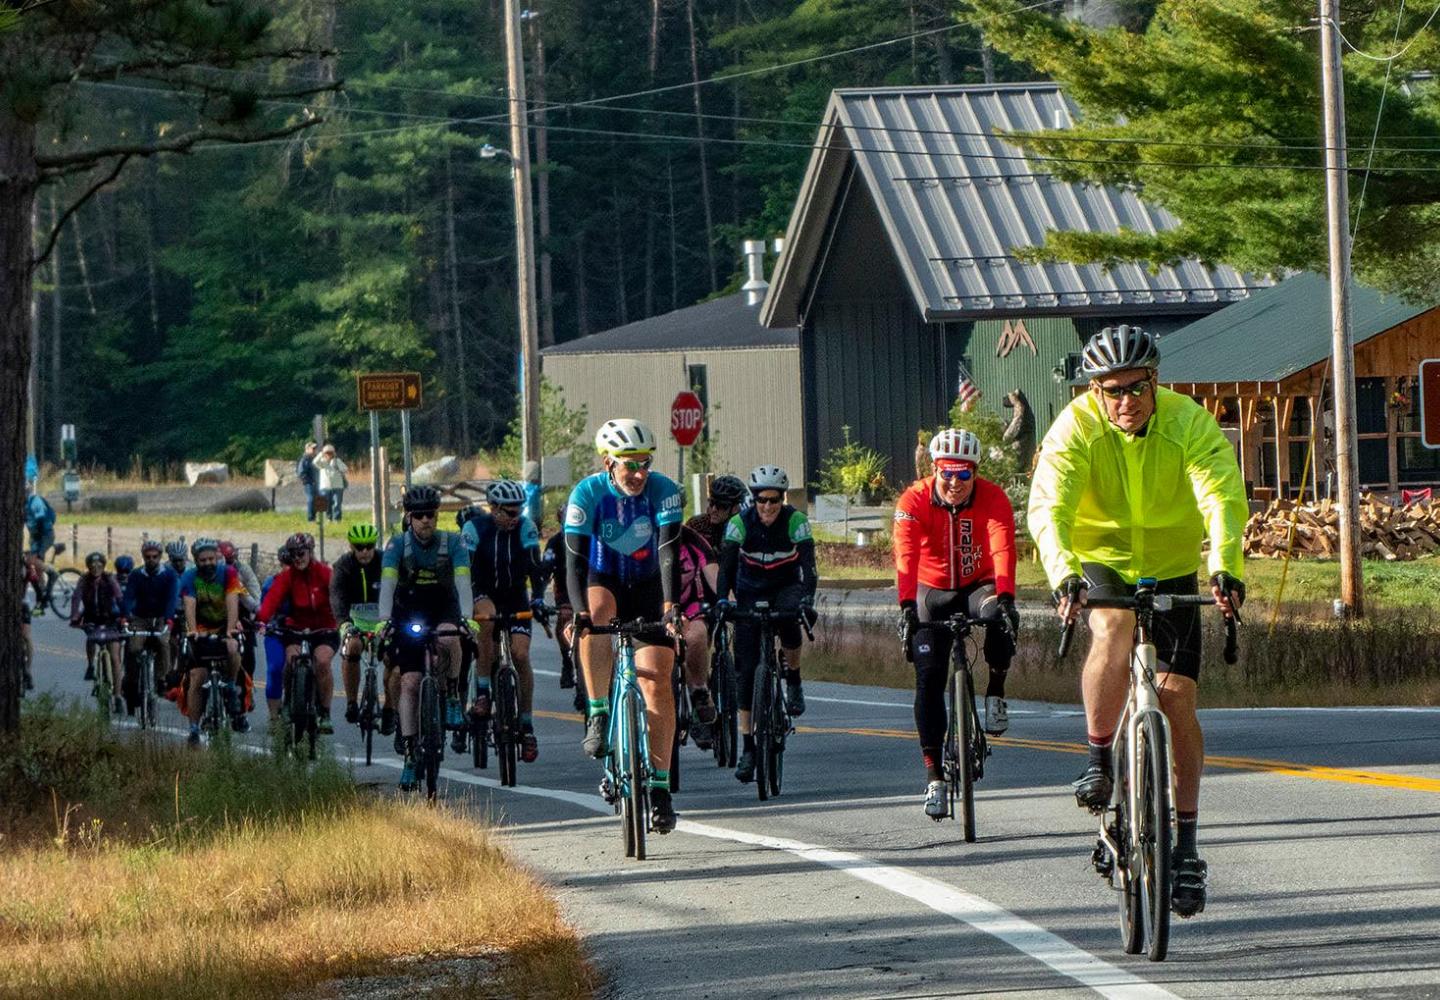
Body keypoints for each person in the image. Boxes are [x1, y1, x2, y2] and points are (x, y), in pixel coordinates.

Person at [1028, 324, 1247, 919]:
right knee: (1112, 631)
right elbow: (1051, 503)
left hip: (1174, 563)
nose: (1125, 401)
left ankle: (1189, 847)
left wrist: (1224, 566)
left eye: (1136, 387)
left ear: (1156, 381)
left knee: (1177, 701)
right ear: (1095, 391)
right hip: (1100, 558)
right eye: (1111, 390)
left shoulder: (1188, 422)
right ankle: (1099, 761)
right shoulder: (1076, 425)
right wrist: (1064, 572)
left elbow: (1221, 495)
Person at [564, 418, 684, 833]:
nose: (638, 473)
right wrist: (577, 613)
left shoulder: (664, 491)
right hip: (604, 579)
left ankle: (661, 789)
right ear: (608, 462)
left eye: (645, 463)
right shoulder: (588, 493)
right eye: (629, 465)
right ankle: (598, 712)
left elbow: (669, 551)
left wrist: (670, 607)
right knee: (594, 618)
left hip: (650, 584)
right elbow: (574, 562)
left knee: (657, 682)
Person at [893, 429, 1020, 820]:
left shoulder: (994, 497)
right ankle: (934, 776)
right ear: (934, 469)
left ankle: (995, 688)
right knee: (929, 678)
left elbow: (1002, 546)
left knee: (1002, 615)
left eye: (964, 475)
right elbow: (906, 553)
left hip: (977, 584)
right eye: (947, 474)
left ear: (975, 474)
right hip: (931, 590)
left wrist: (1007, 596)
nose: (954, 483)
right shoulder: (913, 499)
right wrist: (906, 607)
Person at [714, 466, 817, 785]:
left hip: (785, 586)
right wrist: (722, 601)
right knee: (745, 673)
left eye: (775, 500)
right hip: (749, 589)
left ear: (782, 499)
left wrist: (806, 599)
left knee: (789, 620)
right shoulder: (738, 525)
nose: (769, 507)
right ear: (754, 499)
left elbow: (808, 570)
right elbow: (725, 570)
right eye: (762, 500)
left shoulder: (796, 522)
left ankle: (794, 680)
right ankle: (748, 748)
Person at [376, 485, 472, 792]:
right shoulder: (397, 546)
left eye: (430, 514)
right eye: (418, 515)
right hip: (409, 610)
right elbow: (388, 585)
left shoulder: (453, 542)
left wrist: (467, 617)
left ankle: (453, 694)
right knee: (409, 682)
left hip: (444, 606)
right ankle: (408, 754)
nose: (425, 521)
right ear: (409, 517)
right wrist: (383, 621)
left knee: (450, 638)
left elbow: (462, 581)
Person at [462, 480, 546, 762]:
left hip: (515, 595)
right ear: (493, 508)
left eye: (518, 511)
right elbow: (466, 572)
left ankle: (526, 724)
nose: (515, 517)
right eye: (509, 512)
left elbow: (535, 566)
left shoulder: (525, 527)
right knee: (485, 623)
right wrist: (463, 605)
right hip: (483, 591)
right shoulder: (475, 528)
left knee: (521, 655)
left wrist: (538, 598)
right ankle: (484, 692)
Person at [257, 532, 340, 735]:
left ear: (310, 552)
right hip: (297, 628)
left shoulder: (325, 573)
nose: (297, 558)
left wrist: (343, 618)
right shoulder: (288, 576)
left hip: (324, 628)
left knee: (321, 661)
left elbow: (339, 597)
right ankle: (287, 704)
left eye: (301, 553)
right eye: (293, 554)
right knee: (290, 660)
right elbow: (272, 599)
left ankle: (325, 712)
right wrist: (262, 619)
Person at [178, 538, 248, 742]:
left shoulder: (228, 573)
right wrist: (192, 631)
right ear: (196, 561)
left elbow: (232, 601)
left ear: (217, 557)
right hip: (201, 628)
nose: (208, 563)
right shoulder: (189, 576)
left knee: (233, 646)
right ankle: (193, 728)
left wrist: (230, 629)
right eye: (203, 560)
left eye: (211, 558)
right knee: (197, 677)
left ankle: (231, 686)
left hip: (224, 624)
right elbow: (189, 605)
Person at [331, 522, 385, 728]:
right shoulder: (343, 565)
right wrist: (343, 623)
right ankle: (352, 702)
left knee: (395, 659)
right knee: (352, 647)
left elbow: (398, 592)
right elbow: (337, 598)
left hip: (382, 621)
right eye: (359, 547)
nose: (365, 551)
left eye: (369, 546)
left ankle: (390, 708)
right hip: (356, 622)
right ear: (351, 547)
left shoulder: (385, 562)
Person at [676, 523, 720, 744]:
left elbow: (713, 575)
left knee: (696, 637)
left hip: (690, 605)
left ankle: (700, 692)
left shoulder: (693, 539)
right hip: (652, 609)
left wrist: (728, 600)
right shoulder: (638, 536)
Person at [122, 539, 180, 701]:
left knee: (163, 643)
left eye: (155, 557)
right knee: (134, 647)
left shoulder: (169, 575)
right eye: (148, 557)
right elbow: (128, 597)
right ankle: (132, 680)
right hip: (140, 617)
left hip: (161, 618)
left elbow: (172, 598)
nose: (151, 560)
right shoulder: (136, 574)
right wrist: (126, 615)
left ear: (160, 556)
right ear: (143, 557)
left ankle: (161, 678)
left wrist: (169, 619)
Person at [70, 551, 126, 714]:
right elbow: (76, 597)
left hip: (111, 620)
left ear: (103, 566)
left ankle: (117, 696)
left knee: (115, 657)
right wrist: (75, 616)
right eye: (92, 565)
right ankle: (90, 665)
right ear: (88, 567)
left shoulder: (110, 579)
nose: (96, 568)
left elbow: (120, 597)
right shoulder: (83, 580)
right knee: (90, 637)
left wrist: (124, 616)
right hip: (91, 618)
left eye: (99, 565)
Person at [541, 506, 577, 698]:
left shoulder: (592, 538)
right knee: (564, 621)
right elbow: (546, 568)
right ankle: (566, 661)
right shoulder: (555, 542)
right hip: (564, 591)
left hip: (589, 588)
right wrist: (539, 592)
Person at [219, 540, 261, 684]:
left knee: (248, 654)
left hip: (240, 615)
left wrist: (257, 612)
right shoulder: (203, 575)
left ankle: (246, 686)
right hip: (213, 617)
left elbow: (254, 597)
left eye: (231, 560)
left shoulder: (244, 570)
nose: (227, 565)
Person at [260, 546, 293, 720]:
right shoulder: (270, 583)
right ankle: (274, 718)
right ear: (280, 563)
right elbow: (264, 612)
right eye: (285, 563)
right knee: (274, 669)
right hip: (277, 633)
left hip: (303, 633)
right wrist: (263, 623)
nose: (289, 567)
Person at [684, 474, 747, 552]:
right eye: (712, 503)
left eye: (721, 505)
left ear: (735, 508)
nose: (714, 509)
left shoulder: (745, 528)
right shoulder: (697, 525)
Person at [23, 484, 57, 608]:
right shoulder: (23, 504)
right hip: (35, 537)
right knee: (36, 567)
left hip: (45, 535)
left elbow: (42, 519)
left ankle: (52, 573)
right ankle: (43, 595)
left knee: (32, 559)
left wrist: (38, 539)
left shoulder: (35, 501)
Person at [316, 443, 348, 521]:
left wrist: (337, 465)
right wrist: (321, 454)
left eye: (330, 453)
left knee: (337, 503)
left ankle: (337, 519)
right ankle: (328, 518)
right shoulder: (322, 462)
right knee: (327, 504)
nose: (329, 454)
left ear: (333, 453)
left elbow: (345, 469)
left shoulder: (337, 461)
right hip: (325, 487)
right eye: (327, 453)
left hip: (337, 486)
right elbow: (315, 462)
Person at [297, 441, 320, 522]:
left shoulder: (315, 459)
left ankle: (315, 517)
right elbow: (301, 472)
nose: (314, 450)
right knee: (311, 499)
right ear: (307, 449)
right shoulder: (305, 459)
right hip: (309, 484)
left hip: (317, 483)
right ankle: (311, 518)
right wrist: (308, 481)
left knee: (318, 499)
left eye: (315, 448)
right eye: (312, 448)